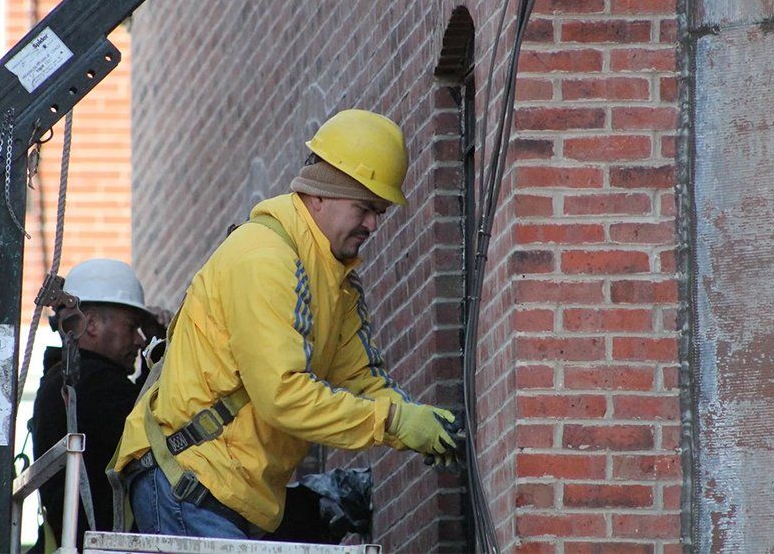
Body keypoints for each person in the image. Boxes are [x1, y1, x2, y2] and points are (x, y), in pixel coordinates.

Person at [110, 109, 465, 539]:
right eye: (365, 208)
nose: (373, 224)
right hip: (187, 481)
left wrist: (416, 420)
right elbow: (282, 395)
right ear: (320, 195)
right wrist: (393, 422)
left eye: (381, 211)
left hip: (222, 492)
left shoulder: (333, 278)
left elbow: (361, 381)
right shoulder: (266, 257)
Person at [29, 258, 168, 552]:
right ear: (90, 324)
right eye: (131, 327)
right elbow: (156, 423)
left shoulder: (66, 381)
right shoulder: (91, 382)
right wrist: (162, 351)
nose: (138, 341)